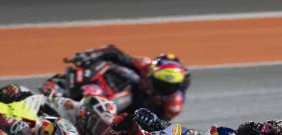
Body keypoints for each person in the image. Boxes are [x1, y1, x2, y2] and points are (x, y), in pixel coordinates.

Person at [42, 45, 191, 120]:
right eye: (161, 83)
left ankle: (88, 111)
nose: (165, 88)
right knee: (110, 66)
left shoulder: (174, 104)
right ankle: (69, 85)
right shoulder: (145, 65)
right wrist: (88, 55)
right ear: (151, 74)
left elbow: (160, 125)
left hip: (132, 115)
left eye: (170, 86)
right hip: (126, 90)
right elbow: (113, 52)